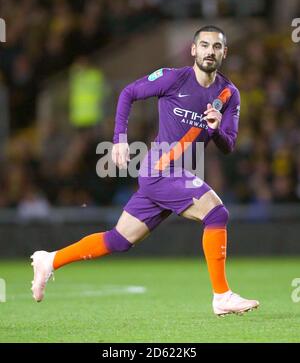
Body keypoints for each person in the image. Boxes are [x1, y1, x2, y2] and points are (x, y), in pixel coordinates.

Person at [31, 25, 259, 316]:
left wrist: (214, 130)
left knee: (118, 240)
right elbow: (129, 93)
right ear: (193, 49)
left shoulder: (229, 94)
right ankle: (222, 295)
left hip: (180, 172)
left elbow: (228, 144)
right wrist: (119, 140)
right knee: (216, 213)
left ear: (224, 52)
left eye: (216, 47)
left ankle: (49, 260)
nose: (209, 51)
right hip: (160, 169)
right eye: (204, 45)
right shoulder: (173, 79)